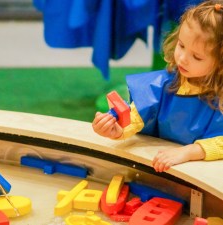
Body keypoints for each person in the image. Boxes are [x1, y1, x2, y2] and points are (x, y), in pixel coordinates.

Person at [92, 0, 223, 172]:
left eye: (196, 57)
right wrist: (117, 130)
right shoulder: (165, 83)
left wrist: (191, 151)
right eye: (181, 45)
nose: (182, 58)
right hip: (158, 169)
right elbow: (137, 114)